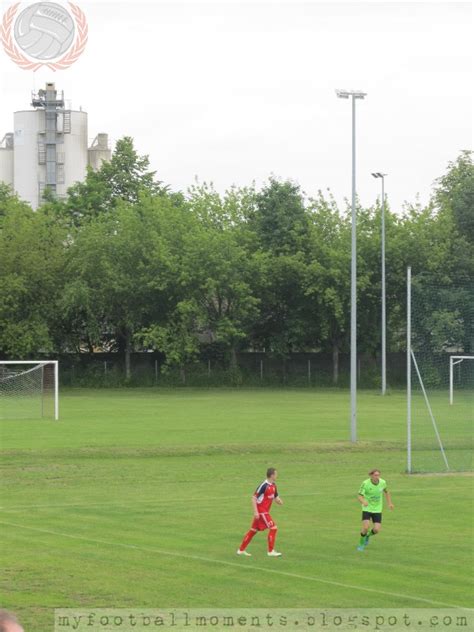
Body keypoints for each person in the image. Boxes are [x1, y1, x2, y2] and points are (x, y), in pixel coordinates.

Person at [237, 467, 283, 557]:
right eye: (276, 474)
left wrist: (279, 501)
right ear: (272, 475)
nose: (277, 476)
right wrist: (256, 512)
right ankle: (270, 551)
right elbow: (253, 498)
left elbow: (276, 497)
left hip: (263, 512)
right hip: (262, 511)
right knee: (274, 528)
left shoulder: (273, 485)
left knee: (253, 531)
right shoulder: (263, 485)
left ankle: (241, 550)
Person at [357, 468, 394, 551]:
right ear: (371, 476)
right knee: (366, 527)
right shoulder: (365, 483)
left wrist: (390, 503)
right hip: (367, 508)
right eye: (375, 475)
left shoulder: (383, 482)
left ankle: (367, 536)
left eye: (378, 475)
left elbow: (386, 492)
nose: (377, 477)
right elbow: (359, 496)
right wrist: (363, 501)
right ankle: (361, 544)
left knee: (376, 529)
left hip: (377, 509)